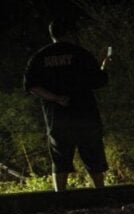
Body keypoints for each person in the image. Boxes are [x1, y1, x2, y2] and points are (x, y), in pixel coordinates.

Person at [23, 19, 111, 191]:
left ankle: (60, 197)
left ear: (52, 34)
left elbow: (32, 86)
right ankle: (100, 193)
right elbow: (99, 80)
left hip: (57, 117)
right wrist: (104, 65)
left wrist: (55, 98)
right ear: (69, 33)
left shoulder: (39, 57)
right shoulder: (80, 53)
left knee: (60, 158)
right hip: (85, 115)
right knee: (93, 155)